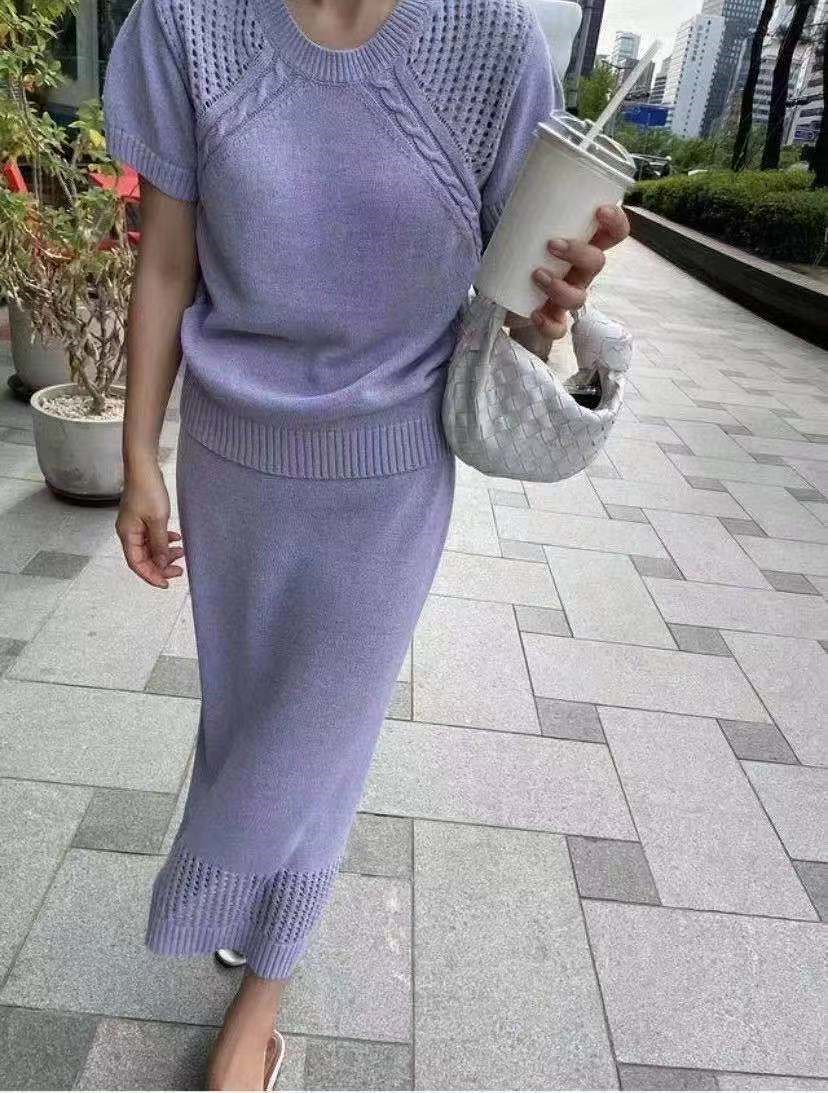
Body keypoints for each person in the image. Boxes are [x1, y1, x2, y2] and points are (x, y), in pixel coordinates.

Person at [101, 0, 629, 1086]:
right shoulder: (185, 21)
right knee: (248, 712)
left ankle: (262, 987)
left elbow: (515, 300)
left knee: (320, 732)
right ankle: (266, 902)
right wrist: (139, 453)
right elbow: (165, 264)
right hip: (233, 459)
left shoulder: (494, 42)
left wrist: (554, 308)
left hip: (390, 470)